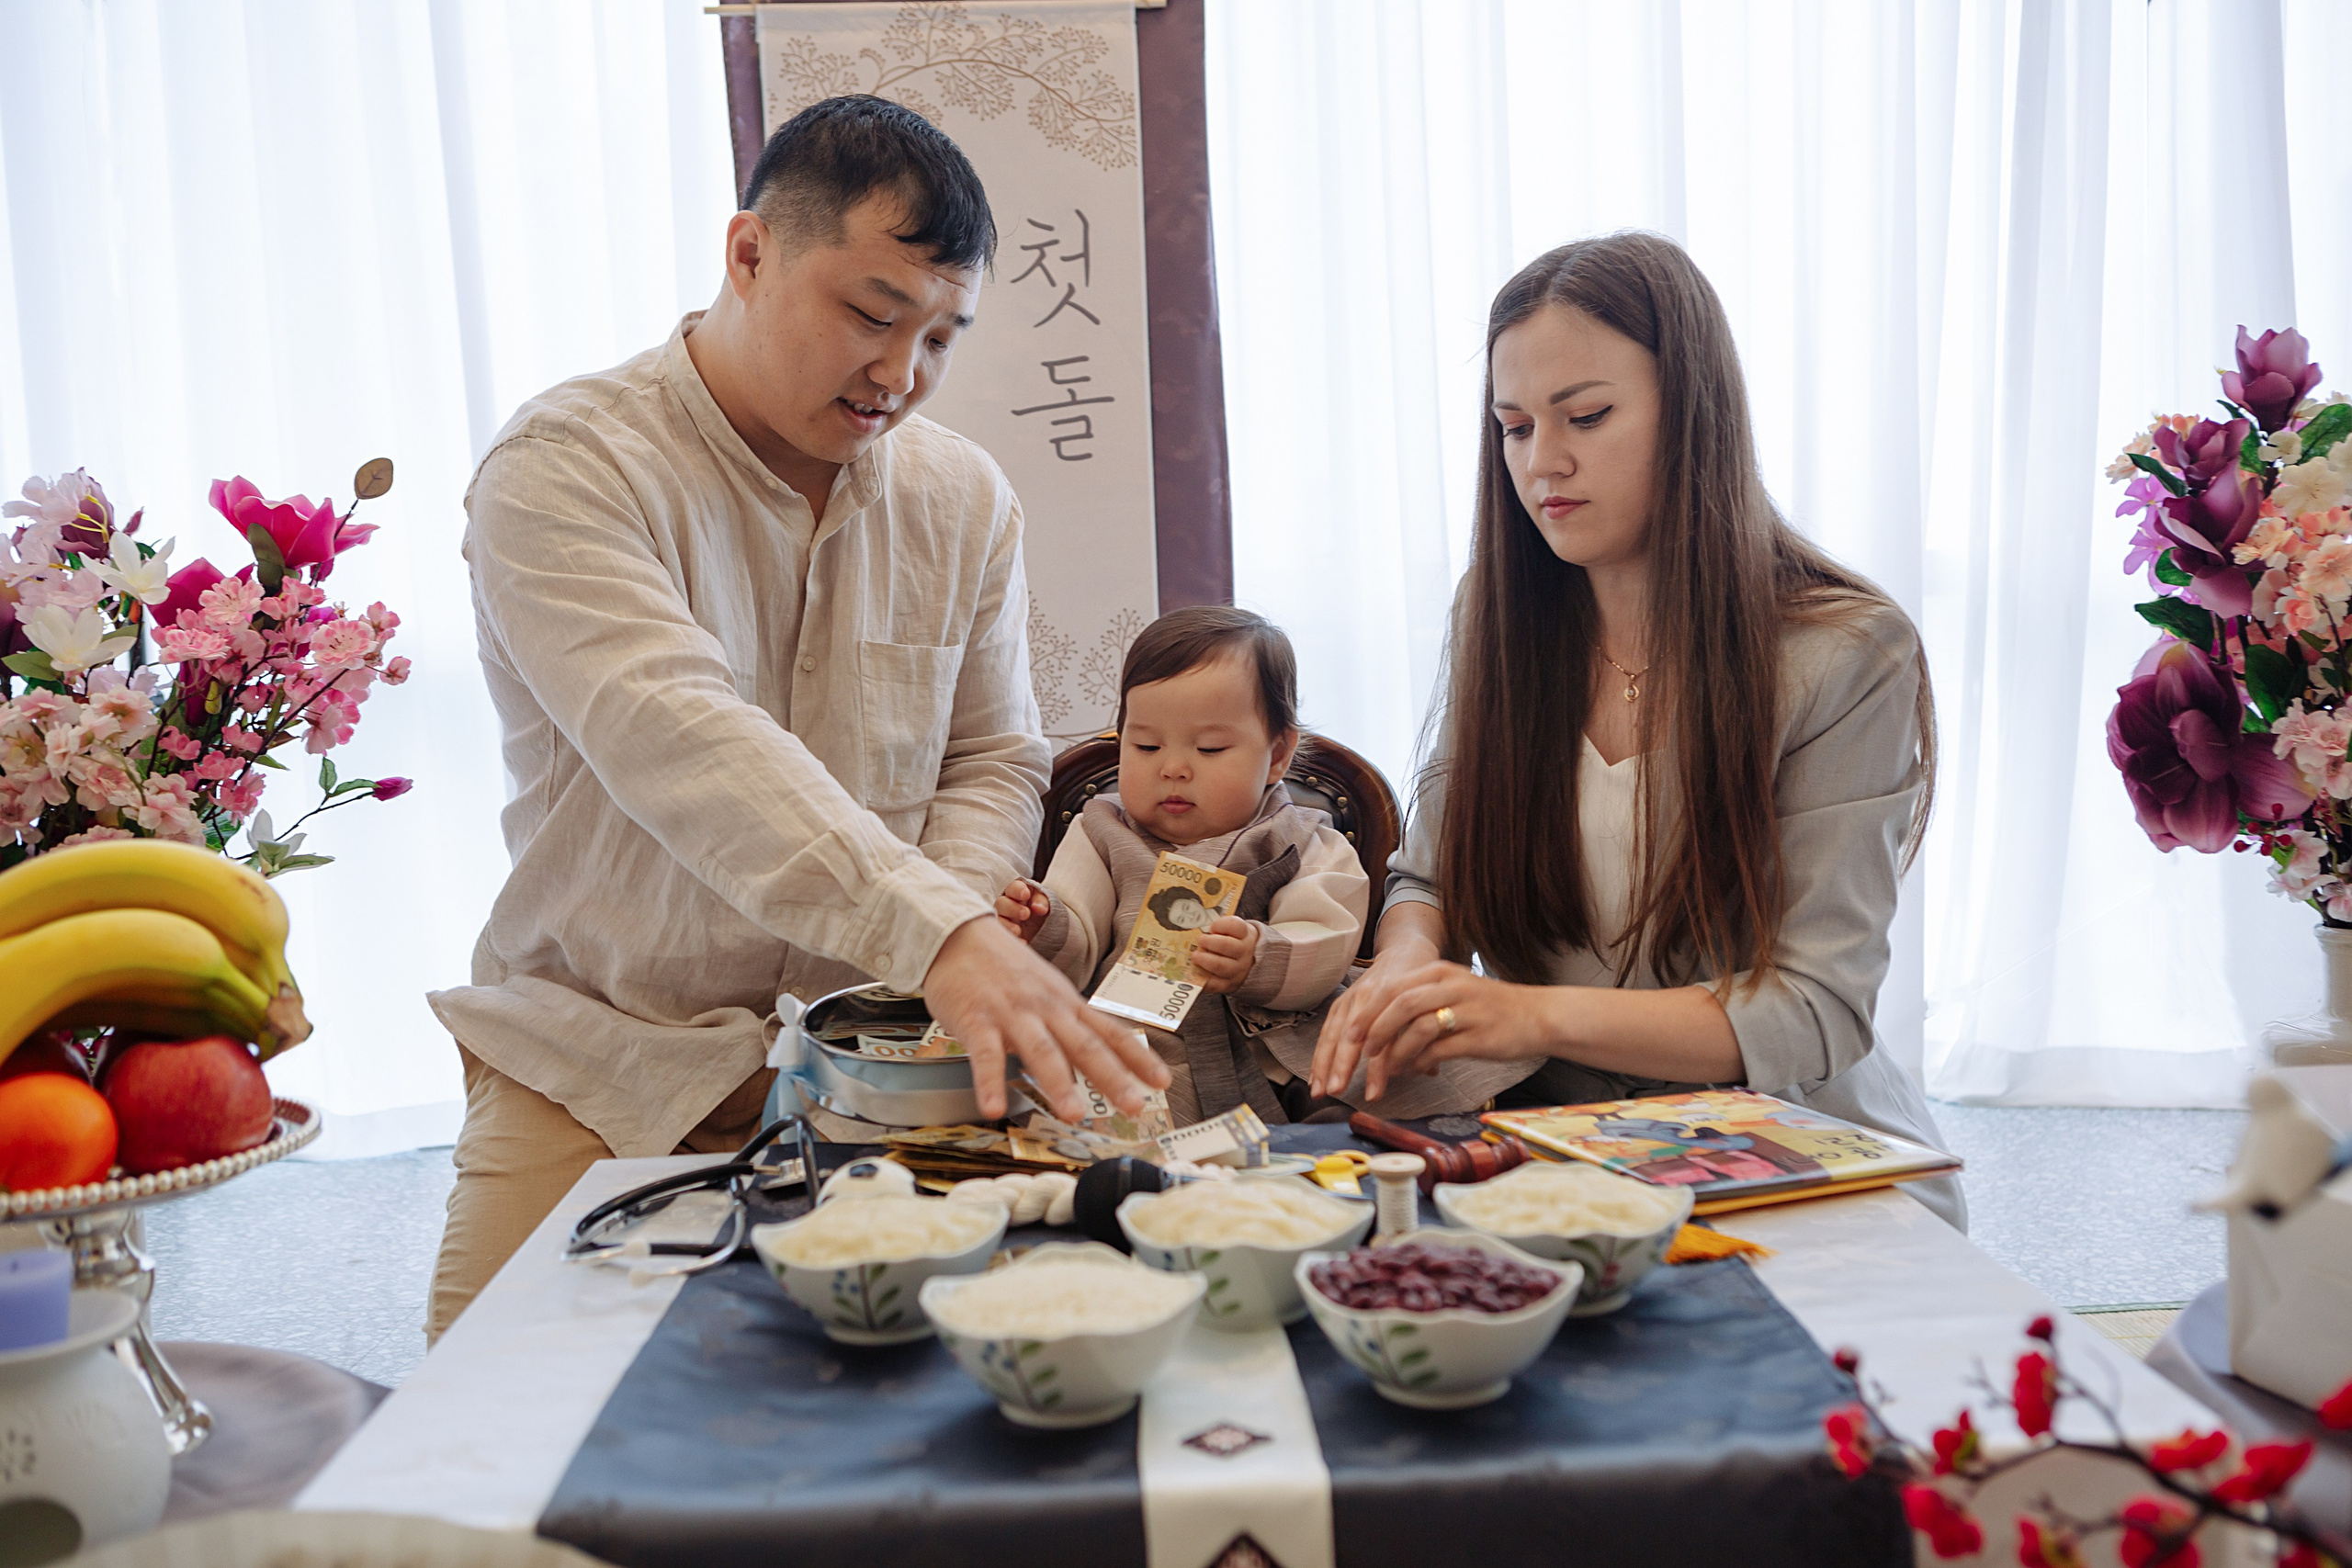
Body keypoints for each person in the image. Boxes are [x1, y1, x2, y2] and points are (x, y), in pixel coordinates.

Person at [425, 96, 1167, 1338]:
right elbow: (682, 735)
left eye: (941, 336)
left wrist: (965, 914)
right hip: (602, 1053)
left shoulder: (962, 495)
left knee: (941, 1419)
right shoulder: (568, 467)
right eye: (872, 313)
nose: (901, 373)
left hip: (879, 1059)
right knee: (482, 1452)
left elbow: (992, 752)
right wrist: (942, 934)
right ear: (749, 253)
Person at [1310, 231, 1964, 1229]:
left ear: (1693, 410)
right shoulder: (1493, 619)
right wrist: (1407, 959)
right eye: (1514, 426)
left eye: (1587, 416)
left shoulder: (1842, 652)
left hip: (1782, 1152)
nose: (1544, 462)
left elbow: (1814, 1009)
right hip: (1554, 1143)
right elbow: (1431, 880)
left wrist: (1526, 1011)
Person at [997, 606, 1368, 1125]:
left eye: (1210, 748)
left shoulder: (1304, 840)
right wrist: (1043, 923)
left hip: (1273, 1051)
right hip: (1141, 1043)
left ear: (1278, 755)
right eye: (1146, 745)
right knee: (1069, 1101)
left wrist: (1257, 955)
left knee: (1349, 1092)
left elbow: (1328, 937)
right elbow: (1077, 932)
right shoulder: (1102, 832)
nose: (1172, 768)